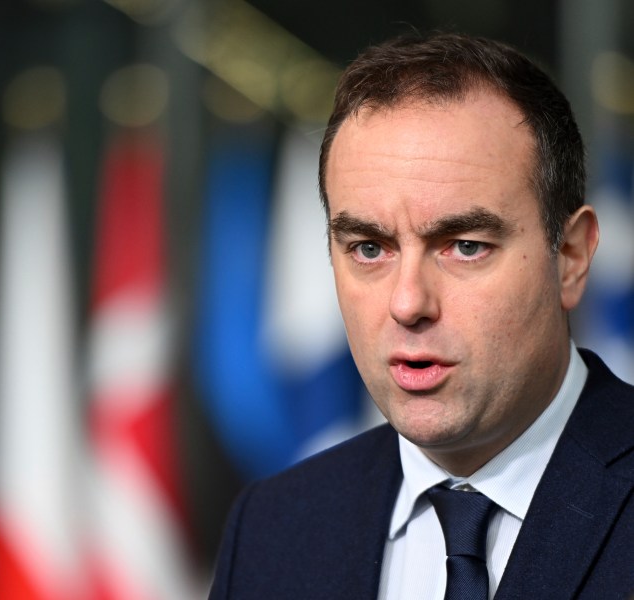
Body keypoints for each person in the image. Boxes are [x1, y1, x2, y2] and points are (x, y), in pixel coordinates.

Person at [208, 32, 634, 599]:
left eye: (464, 245)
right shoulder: (274, 528)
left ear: (572, 257)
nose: (408, 303)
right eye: (368, 248)